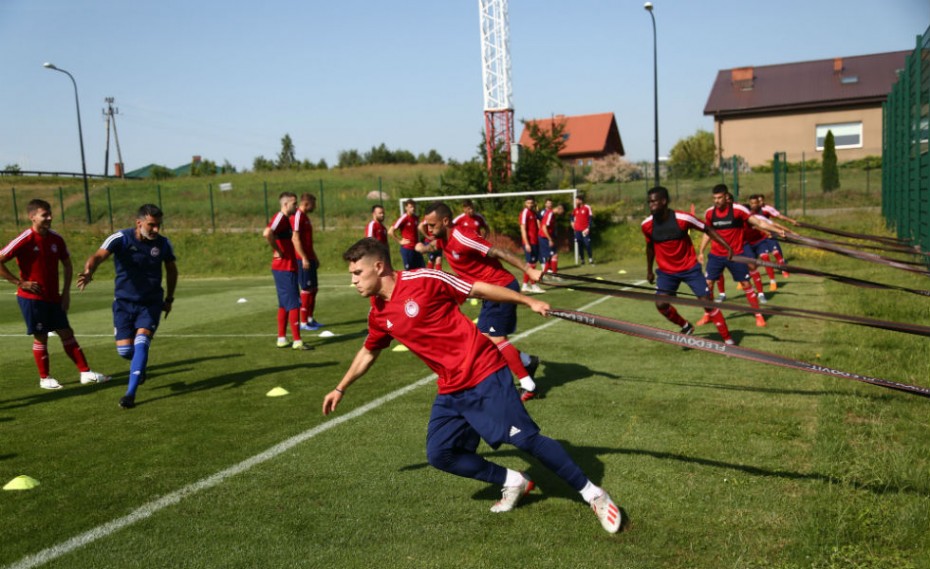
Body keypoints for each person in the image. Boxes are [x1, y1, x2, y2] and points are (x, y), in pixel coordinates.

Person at [322, 238, 625, 534]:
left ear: (378, 266)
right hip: (451, 387)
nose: (353, 281)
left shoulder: (424, 279)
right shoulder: (378, 313)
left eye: (357, 273)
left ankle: (593, 494)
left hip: (483, 370)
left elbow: (476, 288)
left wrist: (527, 300)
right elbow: (369, 351)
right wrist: (340, 387)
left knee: (525, 440)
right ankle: (513, 481)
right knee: (441, 454)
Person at [416, 202, 542, 401]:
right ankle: (527, 361)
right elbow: (430, 245)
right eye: (427, 226)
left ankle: (528, 385)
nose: (428, 229)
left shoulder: (463, 237)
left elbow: (499, 252)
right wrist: (422, 237)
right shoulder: (442, 239)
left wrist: (529, 270)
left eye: (432, 225)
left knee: (496, 338)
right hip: (488, 292)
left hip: (501, 288)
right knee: (486, 339)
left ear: (445, 221)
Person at [0, 199, 109, 390]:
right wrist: (20, 282)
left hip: (53, 297)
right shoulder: (25, 239)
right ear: (32, 217)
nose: (49, 218)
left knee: (66, 332)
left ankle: (85, 372)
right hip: (32, 298)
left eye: (50, 214)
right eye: (45, 215)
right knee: (41, 336)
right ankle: (45, 378)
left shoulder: (56, 239)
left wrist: (65, 293)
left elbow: (67, 264)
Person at [76, 204, 177, 409]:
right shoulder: (120, 238)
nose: (156, 230)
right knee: (125, 351)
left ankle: (130, 394)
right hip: (123, 303)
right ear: (138, 223)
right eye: (151, 225)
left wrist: (169, 299)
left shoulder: (164, 244)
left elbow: (172, 271)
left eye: (158, 225)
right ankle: (139, 365)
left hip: (150, 303)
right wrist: (89, 271)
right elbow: (98, 256)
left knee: (141, 341)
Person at [642, 187, 737, 345]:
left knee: (707, 302)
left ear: (664, 201)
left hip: (690, 269)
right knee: (661, 303)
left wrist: (727, 246)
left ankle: (728, 340)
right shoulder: (646, 225)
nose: (650, 205)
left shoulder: (683, 218)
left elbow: (707, 228)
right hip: (666, 273)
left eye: (653, 202)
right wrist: (649, 271)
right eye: (649, 202)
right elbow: (650, 247)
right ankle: (685, 326)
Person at [697, 185, 785, 328]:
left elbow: (760, 222)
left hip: (735, 255)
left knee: (745, 284)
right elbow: (708, 232)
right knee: (708, 285)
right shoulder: (709, 213)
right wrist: (701, 251)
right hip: (716, 255)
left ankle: (758, 315)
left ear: (726, 197)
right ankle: (708, 314)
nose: (717, 201)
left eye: (719, 198)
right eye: (714, 198)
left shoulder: (738, 210)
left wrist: (777, 230)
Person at [262, 192, 310, 351]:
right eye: (294, 203)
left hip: (286, 267)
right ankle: (297, 341)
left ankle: (281, 338)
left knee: (284, 304)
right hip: (284, 267)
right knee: (294, 303)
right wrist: (277, 250)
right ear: (285, 204)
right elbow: (267, 233)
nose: (296, 206)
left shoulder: (286, 220)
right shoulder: (280, 218)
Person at [292, 193, 323, 331]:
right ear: (306, 203)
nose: (315, 207)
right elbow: (295, 239)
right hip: (301, 259)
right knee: (306, 289)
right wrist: (303, 257)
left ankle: (310, 318)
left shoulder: (305, 217)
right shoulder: (298, 215)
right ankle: (303, 322)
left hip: (309, 257)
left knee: (314, 289)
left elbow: (308, 242)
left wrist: (314, 257)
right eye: (313, 204)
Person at [754, 194, 797, 280]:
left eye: (761, 201)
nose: (759, 203)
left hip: (769, 233)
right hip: (757, 236)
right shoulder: (750, 212)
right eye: (757, 201)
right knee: (752, 257)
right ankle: (745, 277)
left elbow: (777, 220)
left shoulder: (767, 209)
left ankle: (784, 269)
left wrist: (791, 227)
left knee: (776, 252)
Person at [391, 199, 425, 270]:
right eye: (411, 207)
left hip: (416, 248)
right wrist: (400, 241)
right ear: (406, 208)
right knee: (409, 271)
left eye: (414, 207)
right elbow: (390, 231)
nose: (413, 208)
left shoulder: (415, 218)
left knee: (421, 270)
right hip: (407, 249)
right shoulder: (404, 218)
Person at [518, 197, 543, 293]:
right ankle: (534, 285)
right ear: (525, 203)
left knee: (532, 264)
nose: (530, 204)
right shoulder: (525, 213)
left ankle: (524, 285)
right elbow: (523, 229)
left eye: (531, 203)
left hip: (534, 241)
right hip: (530, 242)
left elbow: (541, 219)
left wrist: (537, 209)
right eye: (528, 203)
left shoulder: (533, 213)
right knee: (531, 264)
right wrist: (527, 243)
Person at [539, 199, 564, 275]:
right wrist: (550, 239)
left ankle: (545, 273)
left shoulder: (552, 214)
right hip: (544, 237)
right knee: (554, 255)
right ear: (560, 209)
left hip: (545, 237)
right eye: (562, 212)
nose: (562, 214)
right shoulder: (550, 214)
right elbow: (544, 227)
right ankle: (554, 274)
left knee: (550, 256)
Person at [572, 195, 594, 265]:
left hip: (584, 230)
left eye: (577, 200)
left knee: (587, 244)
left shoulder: (587, 207)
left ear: (581, 201)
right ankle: (582, 260)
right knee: (580, 245)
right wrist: (573, 224)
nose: (575, 202)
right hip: (577, 230)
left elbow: (590, 218)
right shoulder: (575, 209)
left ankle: (590, 259)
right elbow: (572, 218)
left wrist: (588, 228)